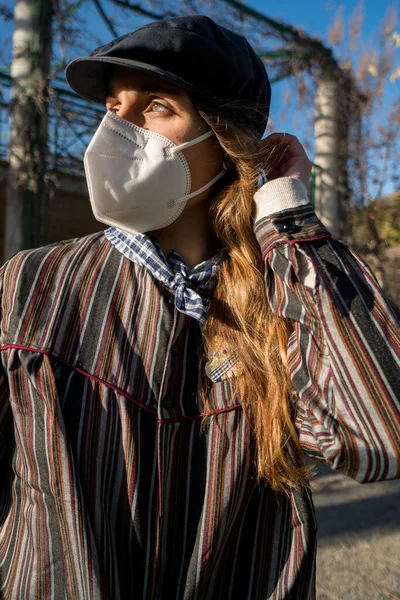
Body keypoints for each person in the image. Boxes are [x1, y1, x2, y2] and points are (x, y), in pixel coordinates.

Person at [0, 15, 399, 600]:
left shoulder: (282, 301)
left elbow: (379, 438)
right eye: (114, 107)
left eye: (157, 105)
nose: (119, 129)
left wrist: (287, 217)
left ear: (225, 140)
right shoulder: (34, 283)